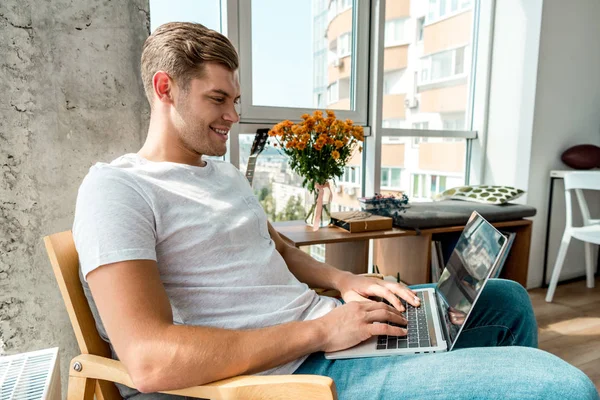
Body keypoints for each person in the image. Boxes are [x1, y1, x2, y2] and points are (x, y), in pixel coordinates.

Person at [73, 22, 598, 399]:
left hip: (324, 330)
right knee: (564, 385)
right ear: (166, 89)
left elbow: (270, 242)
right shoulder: (118, 191)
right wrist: (326, 331)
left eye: (235, 99)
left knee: (506, 300)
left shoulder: (222, 174)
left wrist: (345, 281)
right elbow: (149, 361)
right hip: (286, 375)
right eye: (218, 99)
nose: (233, 115)